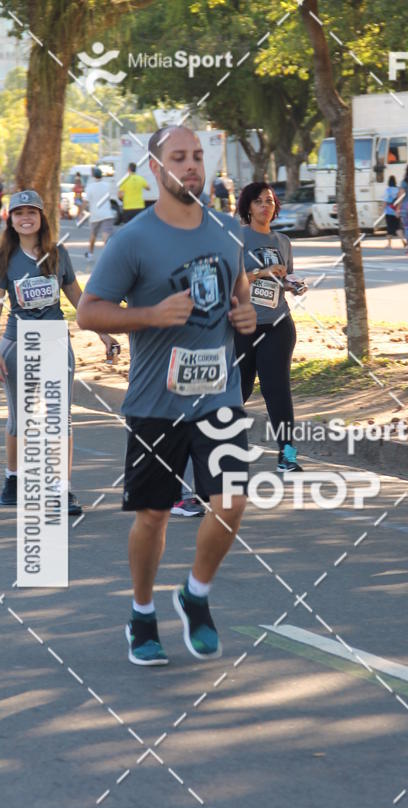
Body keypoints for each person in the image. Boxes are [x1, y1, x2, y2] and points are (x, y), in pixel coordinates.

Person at [77, 125, 257, 666]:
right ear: (156, 168)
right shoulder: (132, 240)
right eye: (179, 157)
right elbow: (89, 312)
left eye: (197, 155)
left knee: (232, 501)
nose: (192, 165)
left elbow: (239, 289)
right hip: (157, 402)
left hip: (219, 396)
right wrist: (151, 316)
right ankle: (141, 613)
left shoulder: (228, 229)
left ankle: (195, 594)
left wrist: (245, 313)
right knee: (154, 515)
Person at [0, 190, 116, 514]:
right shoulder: (5, 256)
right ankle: (13, 480)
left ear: (41, 217)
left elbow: (78, 299)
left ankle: (60, 490)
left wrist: (103, 332)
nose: (26, 218)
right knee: (21, 418)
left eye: (31, 212)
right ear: (11, 220)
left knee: (60, 418)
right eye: (19, 213)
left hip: (54, 341)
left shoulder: (57, 253)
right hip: (17, 342)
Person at [234, 181, 306, 473]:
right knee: (238, 390)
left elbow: (283, 279)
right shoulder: (237, 238)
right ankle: (218, 447)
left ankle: (287, 455)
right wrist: (261, 272)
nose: (265, 206)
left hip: (278, 324)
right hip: (243, 326)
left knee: (277, 390)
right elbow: (229, 280)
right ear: (248, 207)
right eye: (259, 201)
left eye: (270, 201)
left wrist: (293, 285)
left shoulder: (283, 241)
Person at [84, 167, 114, 259]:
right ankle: (108, 255)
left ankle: (90, 254)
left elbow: (86, 201)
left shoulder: (90, 187)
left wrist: (80, 211)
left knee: (93, 235)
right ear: (101, 176)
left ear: (93, 176)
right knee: (106, 235)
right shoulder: (107, 185)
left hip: (95, 215)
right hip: (107, 214)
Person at [383, 175, 400, 249]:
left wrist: (383, 209)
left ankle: (389, 244)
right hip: (396, 211)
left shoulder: (388, 190)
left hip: (389, 212)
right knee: (398, 228)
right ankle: (404, 241)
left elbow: (385, 201)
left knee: (389, 228)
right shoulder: (398, 189)